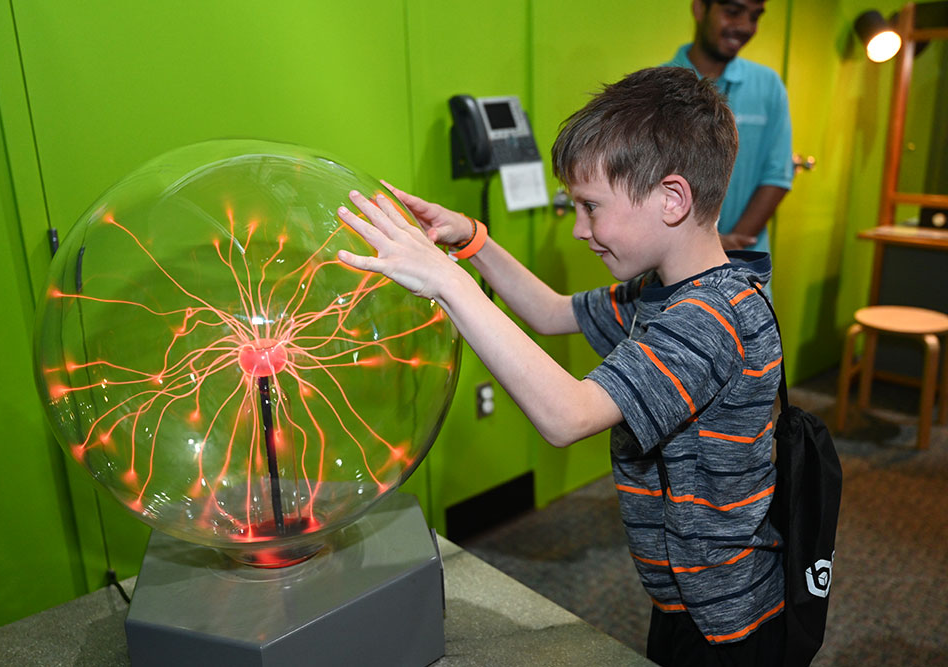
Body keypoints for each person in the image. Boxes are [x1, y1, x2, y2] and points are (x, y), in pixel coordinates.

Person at [337, 67, 785, 666]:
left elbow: (566, 415)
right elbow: (549, 313)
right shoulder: (663, 291)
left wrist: (446, 282)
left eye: (591, 207)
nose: (579, 229)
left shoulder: (710, 320)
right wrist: (471, 243)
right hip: (683, 597)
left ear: (672, 199)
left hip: (727, 621)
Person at [666, 0, 793, 268]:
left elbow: (777, 176)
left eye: (755, 16)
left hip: (742, 261)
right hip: (671, 260)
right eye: (733, 12)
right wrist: (701, 244)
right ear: (700, 8)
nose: (745, 27)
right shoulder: (659, 85)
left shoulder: (768, 86)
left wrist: (729, 246)